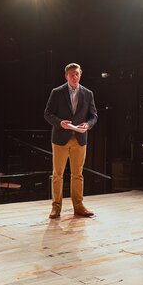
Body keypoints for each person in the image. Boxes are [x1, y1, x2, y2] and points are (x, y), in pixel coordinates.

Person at [44, 63, 98, 218]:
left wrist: (88, 125)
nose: (75, 77)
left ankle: (79, 206)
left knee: (77, 174)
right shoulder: (57, 92)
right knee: (57, 174)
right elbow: (48, 114)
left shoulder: (88, 93)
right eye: (72, 74)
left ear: (81, 74)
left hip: (79, 139)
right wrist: (60, 122)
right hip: (60, 139)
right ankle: (56, 207)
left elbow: (94, 116)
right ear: (66, 76)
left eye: (77, 74)